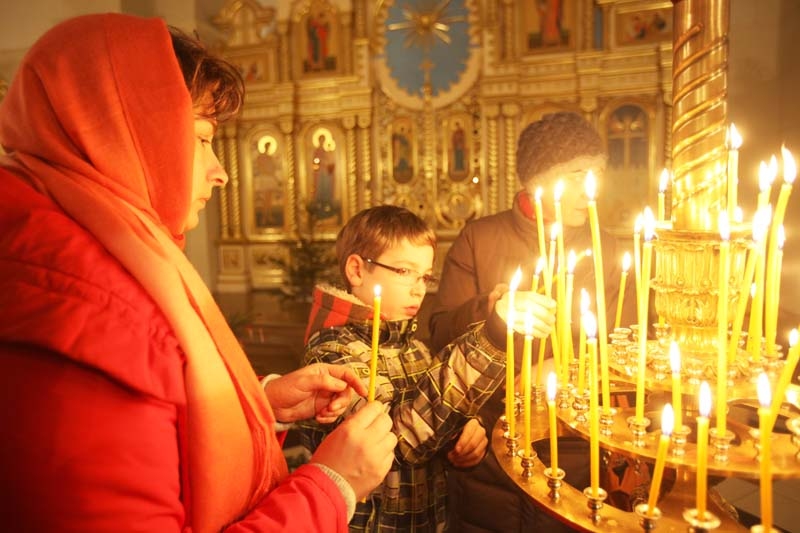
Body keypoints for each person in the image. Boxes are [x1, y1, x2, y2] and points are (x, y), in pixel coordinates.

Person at [0, 14, 397, 532]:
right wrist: (332, 486)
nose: (222, 170)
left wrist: (260, 403)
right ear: (131, 133)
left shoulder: (92, 258)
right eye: (203, 138)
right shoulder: (91, 317)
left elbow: (154, 428)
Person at [428, 111, 637, 532]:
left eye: (596, 172)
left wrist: (566, 370)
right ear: (539, 179)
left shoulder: (608, 250)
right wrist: (493, 310)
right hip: (487, 438)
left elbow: (625, 348)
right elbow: (437, 332)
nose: (589, 190)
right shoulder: (480, 238)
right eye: (576, 174)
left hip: (574, 442)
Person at [296, 205, 556, 532]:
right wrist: (493, 335)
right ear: (357, 270)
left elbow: (435, 417)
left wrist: (464, 434)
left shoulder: (415, 347)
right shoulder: (331, 352)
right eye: (404, 272)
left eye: (425, 276)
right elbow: (401, 440)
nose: (419, 288)